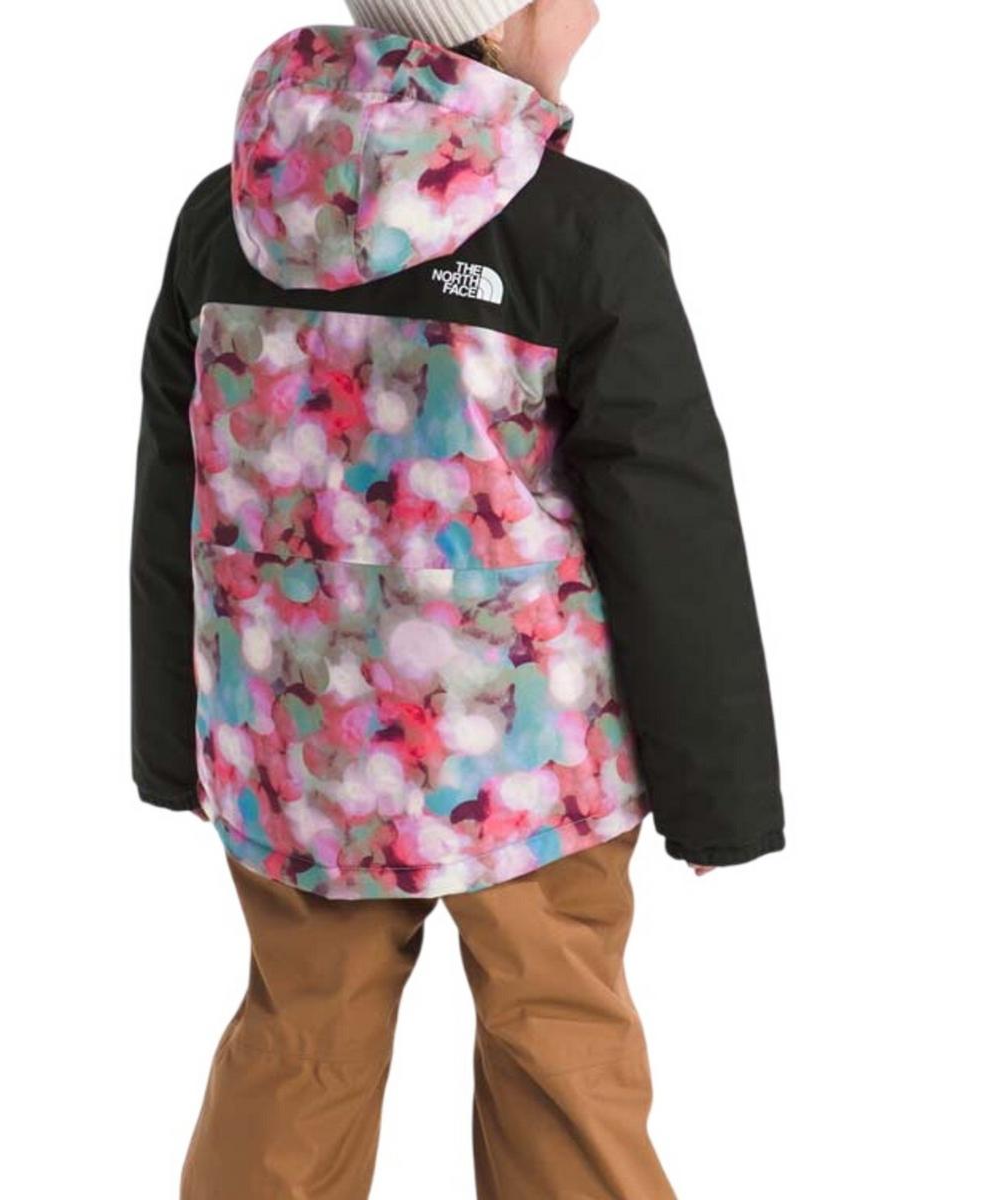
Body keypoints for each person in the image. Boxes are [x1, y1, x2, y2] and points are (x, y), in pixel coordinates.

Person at [130, 1, 784, 1195]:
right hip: (530, 768)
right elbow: (668, 518)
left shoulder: (227, 217)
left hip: (300, 755)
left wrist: (173, 745)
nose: (594, 7)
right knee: (559, 1057)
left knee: (298, 1051)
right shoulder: (581, 229)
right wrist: (718, 797)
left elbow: (184, 484)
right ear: (501, 17)